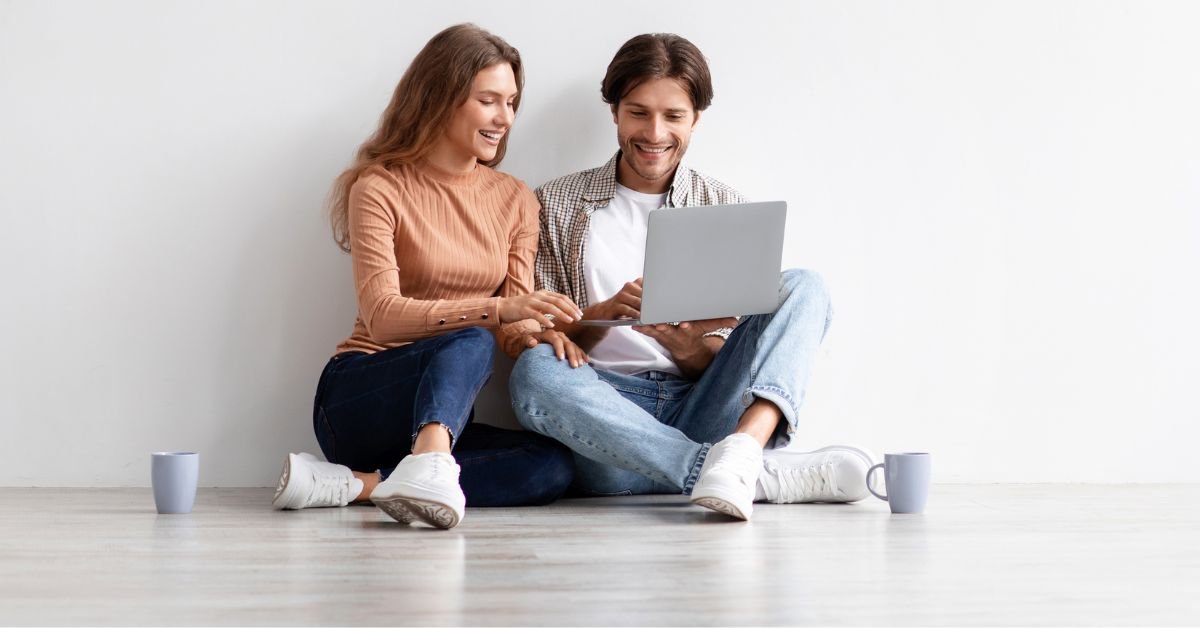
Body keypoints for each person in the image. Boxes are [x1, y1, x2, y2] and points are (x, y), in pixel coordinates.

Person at [507, 33, 874, 521]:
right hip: (609, 428)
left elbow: (732, 360)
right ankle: (747, 472)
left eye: (673, 116)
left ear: (696, 120)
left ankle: (744, 449)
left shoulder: (723, 207)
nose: (655, 133)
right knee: (533, 371)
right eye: (638, 112)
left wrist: (687, 348)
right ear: (614, 111)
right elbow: (546, 338)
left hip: (703, 407)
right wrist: (595, 319)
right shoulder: (555, 203)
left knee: (805, 284)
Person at [272, 24, 584, 529]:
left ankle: (359, 484)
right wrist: (498, 311)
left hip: (440, 416)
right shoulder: (379, 186)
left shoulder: (516, 199)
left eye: (512, 103)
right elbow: (383, 318)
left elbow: (512, 326)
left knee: (551, 468)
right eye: (489, 101)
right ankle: (428, 463)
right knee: (470, 339)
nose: (504, 118)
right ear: (442, 97)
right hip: (361, 397)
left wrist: (549, 330)